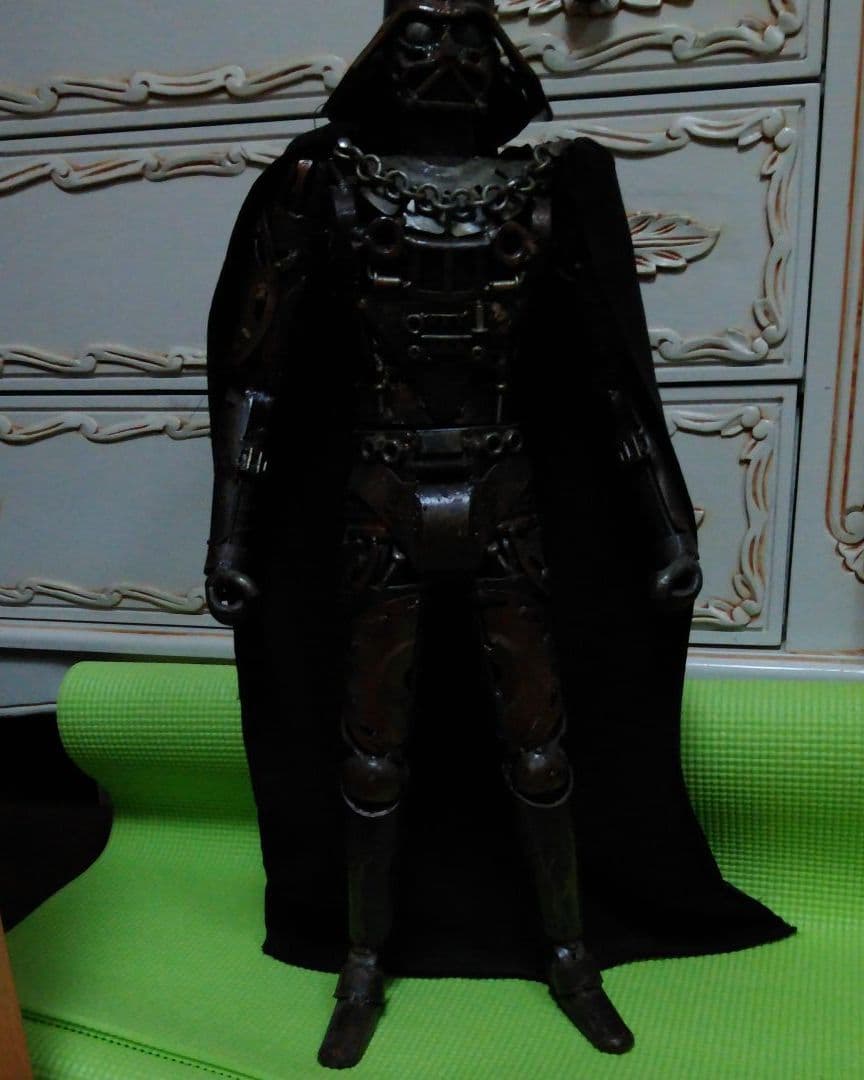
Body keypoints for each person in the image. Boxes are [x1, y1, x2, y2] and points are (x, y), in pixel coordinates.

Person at [205, 1, 793, 1069]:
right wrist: (231, 538)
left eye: (470, 36)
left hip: (506, 485)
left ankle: (569, 953)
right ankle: (363, 961)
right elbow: (260, 376)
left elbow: (614, 378)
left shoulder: (547, 187)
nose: (448, 59)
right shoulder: (322, 184)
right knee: (371, 751)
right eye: (423, 37)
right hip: (381, 488)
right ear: (385, 56)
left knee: (539, 746)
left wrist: (666, 523)